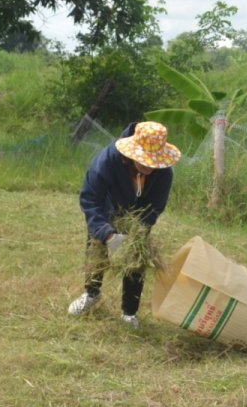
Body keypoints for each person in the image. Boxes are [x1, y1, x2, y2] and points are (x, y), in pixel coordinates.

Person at [68, 120, 179, 329]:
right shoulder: (108, 161)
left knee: (136, 257)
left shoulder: (164, 172)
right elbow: (90, 200)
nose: (148, 167)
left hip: (136, 219)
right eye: (144, 161)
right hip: (107, 211)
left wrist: (138, 231)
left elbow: (155, 206)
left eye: (153, 163)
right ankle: (91, 294)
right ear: (133, 153)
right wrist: (108, 234)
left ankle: (129, 313)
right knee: (95, 250)